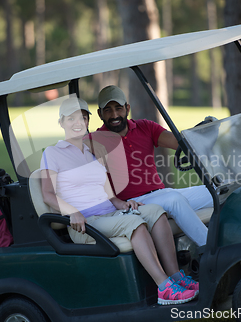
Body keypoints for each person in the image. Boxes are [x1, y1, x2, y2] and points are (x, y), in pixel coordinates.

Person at [40, 97, 199, 305]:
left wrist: (122, 204)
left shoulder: (92, 151)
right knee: (135, 223)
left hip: (110, 214)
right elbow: (47, 194)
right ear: (61, 122)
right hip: (86, 223)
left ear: (88, 121)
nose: (77, 123)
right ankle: (164, 288)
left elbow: (109, 194)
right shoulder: (53, 153)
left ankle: (176, 276)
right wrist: (72, 212)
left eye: (82, 118)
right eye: (71, 119)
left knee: (155, 212)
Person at [88, 85, 212, 247]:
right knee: (174, 200)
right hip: (133, 203)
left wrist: (205, 132)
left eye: (118, 108)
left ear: (127, 108)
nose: (114, 115)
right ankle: (212, 249)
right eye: (108, 110)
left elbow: (180, 144)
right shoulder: (94, 140)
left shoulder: (145, 127)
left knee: (216, 189)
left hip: (161, 193)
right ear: (100, 114)